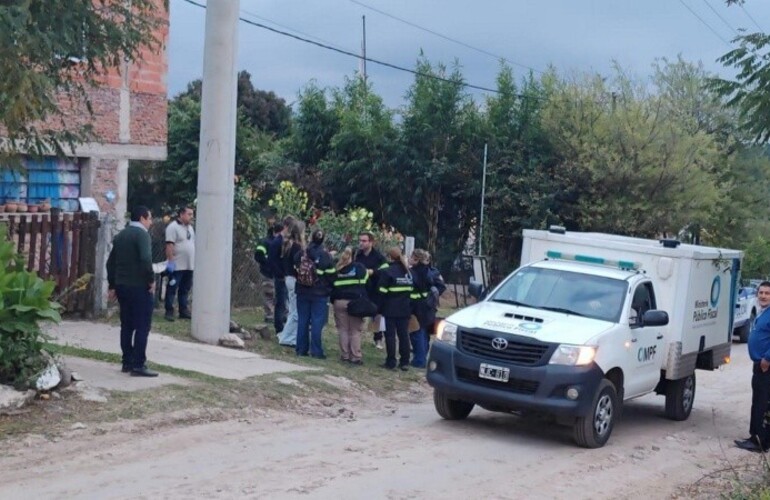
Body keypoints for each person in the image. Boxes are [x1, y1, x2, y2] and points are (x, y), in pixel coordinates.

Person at [106, 205, 158, 377]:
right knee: (142, 325)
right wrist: (151, 279)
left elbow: (110, 263)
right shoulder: (142, 235)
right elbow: (145, 259)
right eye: (149, 218)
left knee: (127, 325)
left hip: (122, 286)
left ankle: (127, 362)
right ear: (143, 218)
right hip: (139, 286)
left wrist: (112, 285)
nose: (150, 222)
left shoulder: (121, 235)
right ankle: (138, 364)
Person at [735, 281, 770, 453]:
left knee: (762, 403)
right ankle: (755, 435)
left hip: (766, 366)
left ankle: (760, 441)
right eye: (761, 292)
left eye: (767, 293)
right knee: (758, 401)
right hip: (759, 364)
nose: (763, 296)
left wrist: (767, 359)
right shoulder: (764, 313)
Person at [294, 229, 335, 358]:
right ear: (323, 239)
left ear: (311, 238)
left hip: (302, 291)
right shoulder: (326, 256)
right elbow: (332, 276)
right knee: (317, 322)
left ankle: (301, 349)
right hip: (320, 293)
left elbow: (294, 268)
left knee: (302, 320)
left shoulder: (301, 253)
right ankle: (316, 351)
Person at [378, 247, 414, 371]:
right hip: (405, 309)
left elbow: (381, 292)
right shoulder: (408, 272)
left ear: (389, 257)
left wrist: (379, 309)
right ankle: (405, 362)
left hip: (390, 309)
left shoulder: (387, 272)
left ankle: (391, 361)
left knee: (390, 336)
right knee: (404, 335)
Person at [409, 249, 446, 368]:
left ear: (416, 259)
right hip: (429, 307)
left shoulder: (414, 272)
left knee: (416, 332)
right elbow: (441, 286)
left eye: (411, 256)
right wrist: (432, 296)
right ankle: (422, 357)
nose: (409, 258)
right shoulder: (432, 271)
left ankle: (419, 360)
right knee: (424, 332)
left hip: (417, 306)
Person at [331, 246, 368, 365]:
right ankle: (355, 357)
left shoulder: (338, 269)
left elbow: (333, 286)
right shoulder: (360, 268)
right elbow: (365, 283)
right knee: (355, 331)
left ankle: (345, 355)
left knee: (343, 329)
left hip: (339, 302)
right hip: (355, 302)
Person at [354, 231, 388, 349]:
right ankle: (355, 336)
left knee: (376, 314)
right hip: (362, 289)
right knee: (357, 312)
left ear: (371, 242)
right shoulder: (358, 255)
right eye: (360, 241)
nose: (361, 243)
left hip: (375, 289)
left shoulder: (379, 257)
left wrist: (373, 272)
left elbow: (386, 270)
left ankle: (378, 339)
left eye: (364, 241)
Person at [277, 220, 305, 347]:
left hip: (288, 278)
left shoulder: (287, 244)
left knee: (293, 310)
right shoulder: (297, 247)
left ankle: (288, 335)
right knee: (296, 312)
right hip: (294, 279)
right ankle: (286, 337)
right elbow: (298, 265)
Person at [164, 205, 195, 321]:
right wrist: (170, 261)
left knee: (185, 289)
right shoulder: (173, 227)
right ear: (181, 214)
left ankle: (183, 310)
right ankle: (169, 311)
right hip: (177, 265)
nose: (191, 217)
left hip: (189, 265)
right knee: (172, 288)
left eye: (192, 214)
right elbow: (169, 245)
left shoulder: (190, 228)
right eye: (189, 214)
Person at [267, 215, 295, 336]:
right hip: (280, 277)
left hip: (284, 275)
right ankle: (279, 327)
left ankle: (283, 325)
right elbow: (273, 260)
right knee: (281, 302)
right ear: (286, 227)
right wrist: (281, 274)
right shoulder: (277, 242)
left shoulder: (285, 242)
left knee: (285, 302)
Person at [254, 222, 282, 324]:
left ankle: (273, 315)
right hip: (268, 272)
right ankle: (270, 315)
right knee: (270, 294)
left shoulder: (276, 242)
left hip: (274, 273)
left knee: (273, 295)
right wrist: (269, 263)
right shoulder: (266, 242)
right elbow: (258, 256)